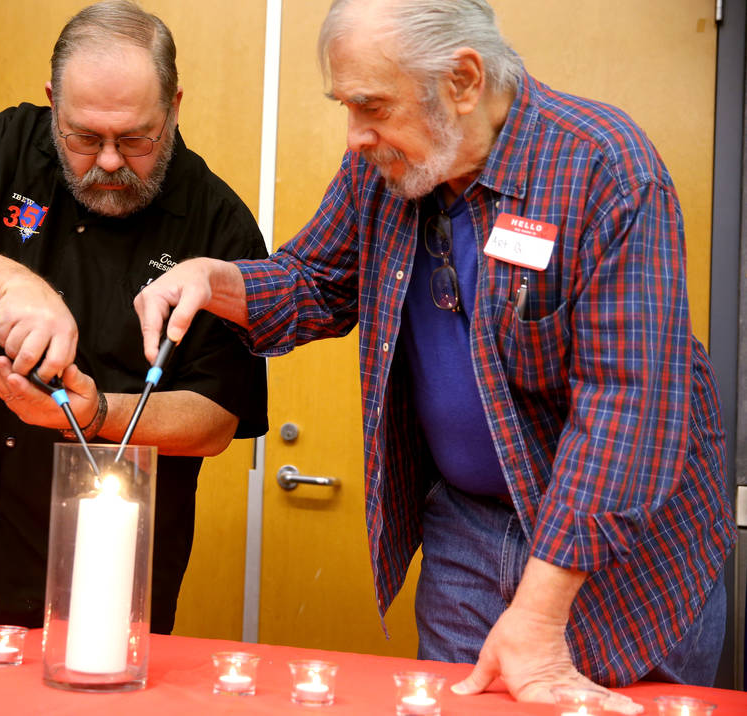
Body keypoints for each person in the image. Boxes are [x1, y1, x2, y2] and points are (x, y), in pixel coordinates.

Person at [134, 0, 735, 709]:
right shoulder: (385, 168)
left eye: (372, 106)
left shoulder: (604, 168)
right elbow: (317, 282)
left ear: (464, 80)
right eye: (345, 106)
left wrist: (541, 614)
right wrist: (217, 279)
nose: (355, 137)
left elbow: (628, 409)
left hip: (627, 562)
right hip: (468, 533)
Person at [0, 0, 268, 636]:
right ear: (53, 102)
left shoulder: (219, 223)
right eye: (84, 137)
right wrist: (17, 285)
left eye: (136, 139)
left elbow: (215, 420)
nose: (109, 161)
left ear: (174, 106)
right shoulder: (7, 145)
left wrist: (92, 413)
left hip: (109, 563)